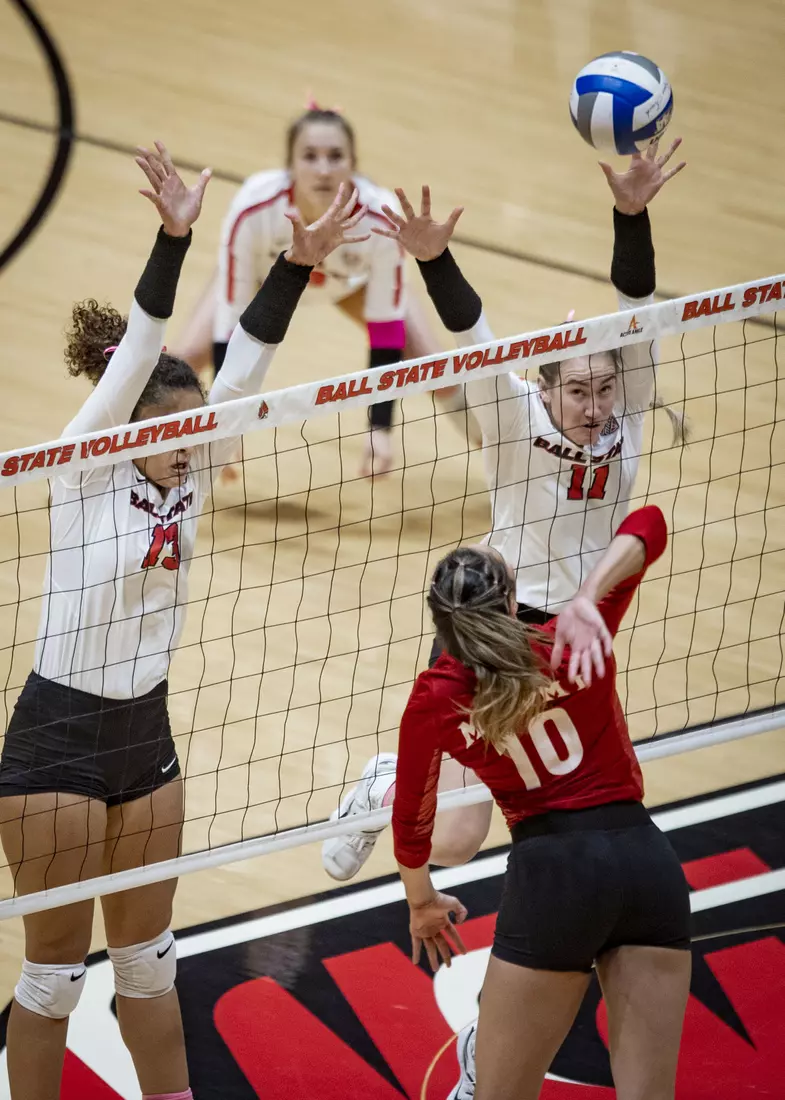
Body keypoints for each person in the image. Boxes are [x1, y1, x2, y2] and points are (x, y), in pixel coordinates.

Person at [0, 141, 368, 1100]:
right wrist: (175, 236)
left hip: (145, 735)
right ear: (129, 429)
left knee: (148, 966)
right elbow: (137, 348)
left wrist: (294, 262)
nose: (189, 446)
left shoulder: (196, 467)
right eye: (169, 432)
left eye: (196, 431)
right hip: (58, 745)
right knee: (53, 975)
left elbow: (247, 362)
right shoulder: (83, 469)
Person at [321, 138, 687, 883]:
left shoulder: (629, 408)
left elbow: (637, 309)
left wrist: (630, 217)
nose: (593, 407)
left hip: (578, 627)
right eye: (576, 392)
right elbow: (471, 333)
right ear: (545, 388)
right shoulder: (513, 412)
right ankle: (382, 783)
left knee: (564, 801)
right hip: (493, 623)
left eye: (603, 390)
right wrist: (432, 260)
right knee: (455, 839)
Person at [393, 505, 691, 1100]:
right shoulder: (574, 637)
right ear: (511, 604)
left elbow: (412, 821)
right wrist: (587, 594)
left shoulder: (436, 695)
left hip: (555, 882)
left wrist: (422, 902)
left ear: (440, 628)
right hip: (647, 865)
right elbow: (651, 523)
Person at [173, 104, 478, 478]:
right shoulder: (252, 209)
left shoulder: (381, 217)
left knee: (435, 367)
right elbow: (229, 325)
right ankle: (130, 453)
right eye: (310, 156)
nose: (323, 169)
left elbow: (386, 333)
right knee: (184, 359)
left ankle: (503, 443)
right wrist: (227, 426)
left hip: (350, 286)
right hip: (264, 281)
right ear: (290, 165)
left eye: (335, 157)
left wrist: (379, 428)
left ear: (353, 163)